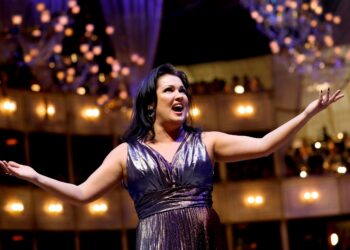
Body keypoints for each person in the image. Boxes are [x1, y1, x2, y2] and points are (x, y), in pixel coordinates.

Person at [0, 63, 344, 249]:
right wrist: (35, 177)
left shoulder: (207, 141)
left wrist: (308, 113)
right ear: (152, 103)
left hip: (205, 239)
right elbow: (81, 194)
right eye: (170, 90)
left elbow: (266, 144)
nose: (180, 95)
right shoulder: (126, 154)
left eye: (183, 90)